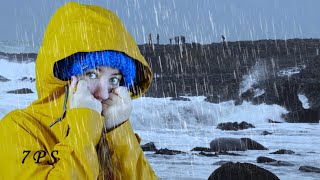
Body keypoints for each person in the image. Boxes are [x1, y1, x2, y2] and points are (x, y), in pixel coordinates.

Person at [0, 2, 157, 179]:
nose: (104, 94)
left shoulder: (113, 132)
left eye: (114, 80)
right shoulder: (18, 129)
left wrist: (119, 133)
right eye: (91, 74)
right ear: (64, 77)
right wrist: (83, 129)